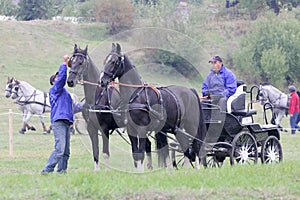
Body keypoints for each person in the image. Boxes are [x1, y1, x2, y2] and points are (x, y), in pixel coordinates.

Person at [41, 55, 74, 174]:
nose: (59, 77)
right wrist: (64, 64)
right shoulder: (55, 90)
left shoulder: (66, 94)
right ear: (53, 82)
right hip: (58, 122)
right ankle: (47, 170)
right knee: (60, 149)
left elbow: (73, 107)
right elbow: (62, 79)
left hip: (66, 122)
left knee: (66, 151)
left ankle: (62, 171)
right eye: (56, 77)